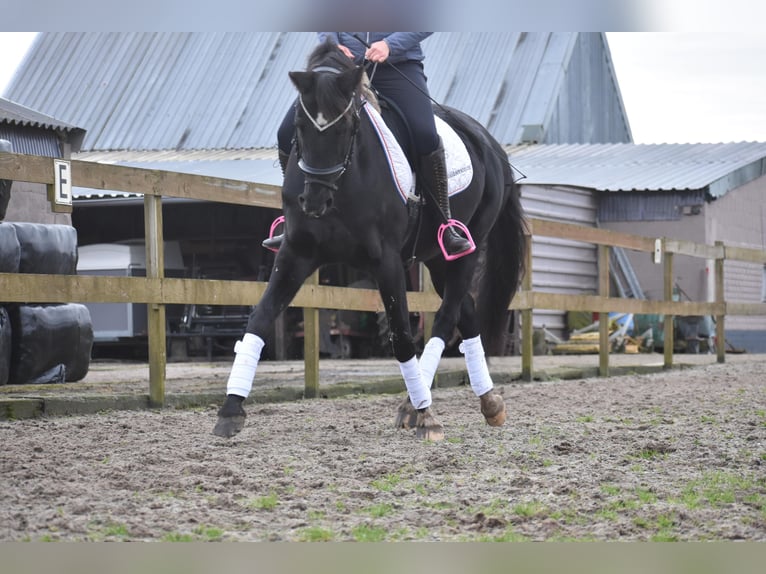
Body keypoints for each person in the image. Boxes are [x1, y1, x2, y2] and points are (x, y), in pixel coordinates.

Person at [263, 32, 473, 259]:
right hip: (341, 70)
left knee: (425, 135)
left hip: (395, 67)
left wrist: (390, 45)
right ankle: (290, 220)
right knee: (285, 133)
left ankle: (445, 225)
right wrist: (331, 43)